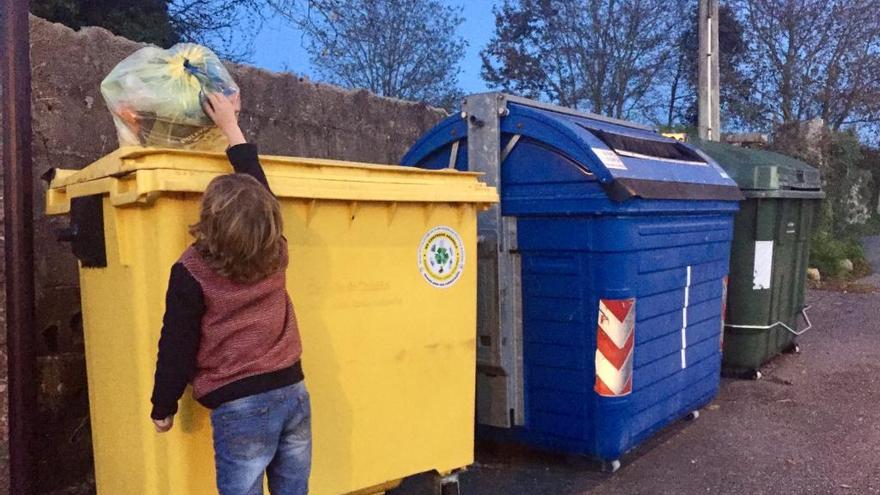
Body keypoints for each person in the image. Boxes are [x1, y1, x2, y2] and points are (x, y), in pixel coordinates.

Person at [149, 92, 310, 495]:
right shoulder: (277, 250)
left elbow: (177, 342)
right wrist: (230, 126)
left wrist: (163, 404)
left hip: (239, 408)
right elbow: (259, 192)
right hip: (292, 392)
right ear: (269, 219)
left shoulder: (191, 272)